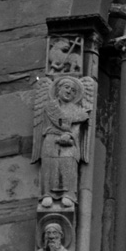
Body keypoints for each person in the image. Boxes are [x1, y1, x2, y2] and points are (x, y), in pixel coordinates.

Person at [35, 77, 90, 207]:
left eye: (73, 90)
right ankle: (46, 194)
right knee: (49, 164)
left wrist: (70, 137)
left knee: (68, 164)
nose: (69, 91)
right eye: (66, 87)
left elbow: (76, 130)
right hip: (51, 139)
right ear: (59, 89)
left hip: (69, 142)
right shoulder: (49, 107)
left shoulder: (79, 111)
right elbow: (43, 127)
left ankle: (69, 194)